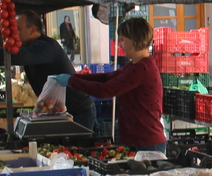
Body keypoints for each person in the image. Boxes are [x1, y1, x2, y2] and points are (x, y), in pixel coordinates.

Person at [0, 10, 96, 131]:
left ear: (33, 30)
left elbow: (18, 57)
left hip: (79, 111)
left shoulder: (46, 46)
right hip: (58, 112)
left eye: (18, 29)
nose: (14, 33)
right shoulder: (30, 47)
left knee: (75, 148)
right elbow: (5, 59)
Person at [52, 17, 165, 152]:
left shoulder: (141, 69)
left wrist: (72, 81)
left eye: (123, 40)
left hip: (146, 142)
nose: (120, 44)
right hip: (137, 139)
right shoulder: (135, 65)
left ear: (134, 40)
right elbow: (107, 78)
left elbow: (105, 90)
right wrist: (74, 77)